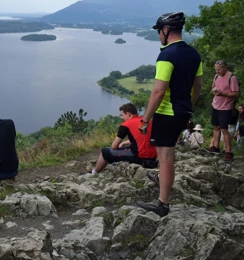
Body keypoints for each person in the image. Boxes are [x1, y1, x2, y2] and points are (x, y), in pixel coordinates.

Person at [136, 12, 203, 217]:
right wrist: (187, 107)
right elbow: (198, 87)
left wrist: (145, 119)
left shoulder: (166, 55)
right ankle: (164, 181)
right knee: (167, 155)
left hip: (167, 112)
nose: (158, 35)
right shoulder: (194, 54)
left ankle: (162, 204)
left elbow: (158, 92)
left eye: (159, 31)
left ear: (166, 31)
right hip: (183, 111)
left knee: (165, 158)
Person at [90, 103, 157, 174]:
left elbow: (114, 146)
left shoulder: (126, 125)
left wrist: (120, 144)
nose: (122, 117)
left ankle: (94, 173)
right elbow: (141, 138)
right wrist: (124, 143)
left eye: (122, 115)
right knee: (126, 147)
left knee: (105, 152)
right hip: (153, 156)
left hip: (140, 156)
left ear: (128, 114)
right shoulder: (147, 121)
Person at [207, 60, 239, 162]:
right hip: (215, 105)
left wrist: (223, 94)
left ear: (225, 68)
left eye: (219, 69)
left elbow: (236, 94)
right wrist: (214, 91)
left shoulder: (232, 77)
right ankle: (215, 148)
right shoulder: (216, 76)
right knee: (216, 127)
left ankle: (229, 152)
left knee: (224, 129)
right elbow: (213, 87)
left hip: (226, 107)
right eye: (215, 69)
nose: (217, 71)